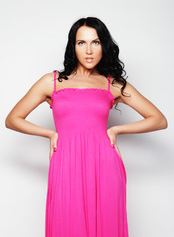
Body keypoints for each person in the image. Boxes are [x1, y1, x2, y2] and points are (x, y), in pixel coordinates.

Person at [5, 17, 168, 237]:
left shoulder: (113, 83)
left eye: (96, 42)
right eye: (82, 43)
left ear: (104, 46)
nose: (89, 50)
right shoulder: (52, 82)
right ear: (73, 46)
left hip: (105, 163)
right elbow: (13, 118)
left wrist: (116, 130)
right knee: (67, 224)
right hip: (65, 162)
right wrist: (49, 133)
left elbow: (158, 119)